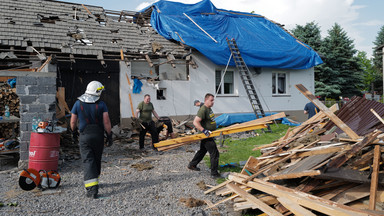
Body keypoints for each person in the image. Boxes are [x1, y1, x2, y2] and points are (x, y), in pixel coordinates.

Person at [70, 81, 112, 199]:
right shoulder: (102, 104)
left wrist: (73, 132)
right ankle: (95, 181)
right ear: (97, 92)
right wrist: (109, 135)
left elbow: (73, 121)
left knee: (88, 160)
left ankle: (92, 189)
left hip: (84, 136)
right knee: (96, 158)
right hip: (98, 135)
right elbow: (106, 121)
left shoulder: (78, 104)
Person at [188, 93, 220, 178]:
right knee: (215, 153)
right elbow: (195, 122)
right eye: (211, 100)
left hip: (210, 134)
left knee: (202, 150)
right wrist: (204, 130)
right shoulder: (203, 109)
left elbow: (201, 104)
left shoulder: (208, 107)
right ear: (206, 100)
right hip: (206, 135)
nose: (213, 102)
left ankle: (192, 164)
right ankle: (214, 173)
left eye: (213, 100)